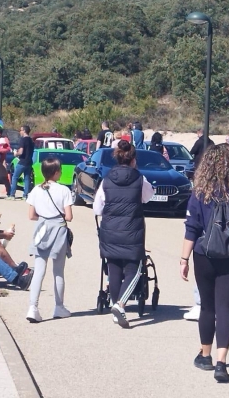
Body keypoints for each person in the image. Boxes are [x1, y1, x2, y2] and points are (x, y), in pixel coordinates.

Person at [179, 144, 229, 383]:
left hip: (205, 255)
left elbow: (191, 229)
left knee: (207, 307)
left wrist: (184, 259)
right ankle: (222, 363)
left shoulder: (199, 194)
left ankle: (205, 355)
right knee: (225, 308)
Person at [93, 140, 155, 328]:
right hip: (132, 231)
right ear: (133, 160)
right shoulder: (139, 179)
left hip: (110, 231)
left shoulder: (107, 179)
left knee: (114, 269)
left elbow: (97, 208)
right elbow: (147, 197)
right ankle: (120, 304)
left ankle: (115, 305)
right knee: (134, 271)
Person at [26, 158, 74, 323]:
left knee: (39, 270)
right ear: (55, 173)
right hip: (58, 230)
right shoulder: (63, 191)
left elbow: (31, 215)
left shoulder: (36, 190)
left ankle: (33, 307)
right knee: (58, 271)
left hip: (41, 229)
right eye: (59, 170)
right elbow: (69, 216)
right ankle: (59, 306)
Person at [8, 125, 34, 201]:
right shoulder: (31, 140)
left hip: (22, 162)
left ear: (24, 131)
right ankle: (25, 195)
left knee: (15, 177)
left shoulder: (23, 140)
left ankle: (12, 195)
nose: (20, 132)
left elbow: (21, 151)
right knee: (27, 178)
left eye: (21, 130)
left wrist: (16, 153)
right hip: (29, 162)